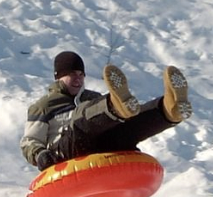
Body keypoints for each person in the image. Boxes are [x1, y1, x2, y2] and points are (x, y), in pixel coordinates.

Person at [20, 51, 192, 171]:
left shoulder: (91, 97)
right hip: (64, 155)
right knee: (81, 120)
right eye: (72, 74)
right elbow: (30, 141)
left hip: (98, 151)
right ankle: (115, 106)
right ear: (59, 76)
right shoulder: (44, 106)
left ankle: (168, 110)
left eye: (81, 75)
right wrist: (40, 154)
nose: (78, 79)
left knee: (125, 128)